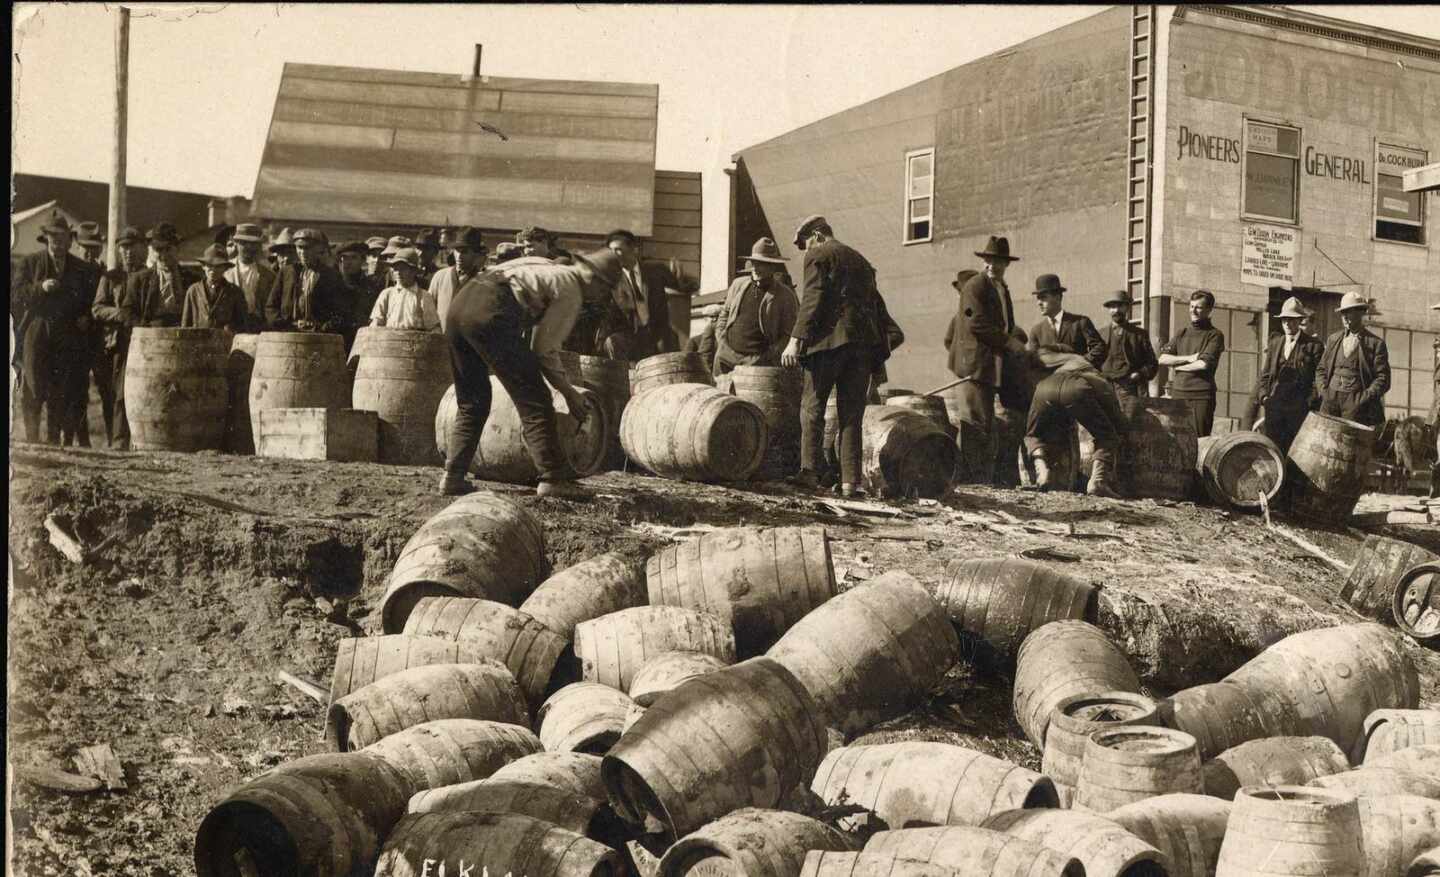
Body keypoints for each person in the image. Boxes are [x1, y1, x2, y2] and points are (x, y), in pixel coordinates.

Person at [440, 248, 623, 500]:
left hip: (459, 308)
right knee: (536, 400)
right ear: (596, 280)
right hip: (490, 314)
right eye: (605, 291)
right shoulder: (571, 290)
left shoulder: (543, 265)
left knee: (473, 400)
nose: (600, 297)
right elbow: (543, 349)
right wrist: (568, 392)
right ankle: (552, 478)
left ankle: (453, 476)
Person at [780, 215, 885, 498]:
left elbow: (812, 299)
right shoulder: (861, 260)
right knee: (851, 415)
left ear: (816, 235)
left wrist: (794, 341)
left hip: (827, 346)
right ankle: (851, 482)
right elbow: (876, 309)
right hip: (861, 348)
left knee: (812, 408)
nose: (805, 250)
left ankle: (809, 473)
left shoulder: (819, 254)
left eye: (805, 243)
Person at [946, 235, 1028, 484]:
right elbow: (977, 323)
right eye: (989, 261)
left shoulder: (1001, 289)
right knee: (974, 422)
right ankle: (971, 480)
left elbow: (1006, 324)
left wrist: (1014, 341)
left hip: (991, 366)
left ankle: (976, 477)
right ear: (984, 262)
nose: (992, 266)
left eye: (998, 262)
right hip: (974, 366)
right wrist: (1008, 342)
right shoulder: (976, 286)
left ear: (1007, 264)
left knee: (985, 422)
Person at [12, 214, 99, 444]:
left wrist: (85, 317)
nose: (57, 243)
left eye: (62, 238)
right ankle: (32, 440)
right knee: (33, 387)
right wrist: (40, 287)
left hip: (67, 336)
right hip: (37, 332)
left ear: (70, 241)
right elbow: (16, 296)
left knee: (60, 390)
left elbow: (91, 301)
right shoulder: (30, 263)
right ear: (46, 239)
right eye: (53, 238)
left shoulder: (81, 268)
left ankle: (52, 440)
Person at [1023, 349, 1126, 498]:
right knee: (1108, 437)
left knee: (1032, 434)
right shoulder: (1100, 378)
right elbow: (1117, 420)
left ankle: (1042, 471)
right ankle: (1097, 481)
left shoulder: (1060, 362)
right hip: (1078, 389)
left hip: (1045, 388)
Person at [91, 225, 146, 449]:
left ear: (142, 248)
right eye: (124, 248)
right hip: (116, 342)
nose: (128, 252)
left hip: (142, 343)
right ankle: (117, 441)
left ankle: (136, 441)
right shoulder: (111, 278)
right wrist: (119, 315)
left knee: (136, 392)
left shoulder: (148, 276)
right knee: (115, 394)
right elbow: (97, 308)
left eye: (132, 247)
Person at [711, 237, 798, 376]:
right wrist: (721, 341)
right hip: (725, 358)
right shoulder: (738, 285)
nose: (755, 268)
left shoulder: (785, 295)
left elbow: (789, 333)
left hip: (757, 365)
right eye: (754, 262)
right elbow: (724, 314)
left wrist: (768, 357)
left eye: (761, 264)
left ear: (772, 266)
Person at [1252, 296, 1324, 453]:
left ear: (1299, 321)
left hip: (1298, 410)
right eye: (1284, 320)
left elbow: (1319, 378)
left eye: (1292, 320)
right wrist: (1264, 397)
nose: (1287, 324)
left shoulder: (1314, 346)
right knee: (1273, 451)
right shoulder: (1275, 343)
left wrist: (1309, 402)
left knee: (1295, 453)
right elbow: (1265, 375)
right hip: (1274, 408)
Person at [605, 229, 683, 360]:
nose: (614, 254)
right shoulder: (611, 279)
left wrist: (680, 276)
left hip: (657, 334)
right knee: (612, 341)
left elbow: (682, 286)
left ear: (634, 249)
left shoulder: (656, 270)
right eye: (611, 250)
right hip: (629, 335)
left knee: (670, 339)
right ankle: (623, 378)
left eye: (618, 249)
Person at [1316, 291, 1390, 429]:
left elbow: (1383, 378)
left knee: (1351, 445)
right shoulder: (1333, 339)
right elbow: (1321, 369)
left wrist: (1363, 399)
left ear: (1361, 313)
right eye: (1343, 312)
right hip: (1330, 402)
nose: (1344, 317)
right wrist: (1325, 392)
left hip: (1357, 407)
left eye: (1349, 312)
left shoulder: (1375, 343)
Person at [1158, 289, 1225, 437]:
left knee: (1199, 440)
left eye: (1198, 307)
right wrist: (1189, 358)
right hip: (1178, 393)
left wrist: (1176, 365)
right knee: (1176, 440)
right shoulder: (1181, 333)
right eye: (1191, 306)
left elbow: (1203, 364)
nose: (1193, 310)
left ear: (1208, 310)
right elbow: (1162, 359)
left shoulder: (1215, 335)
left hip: (1201, 396)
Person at [264, 228, 349, 331]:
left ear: (317, 250)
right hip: (288, 335)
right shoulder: (286, 273)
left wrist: (320, 328)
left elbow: (341, 312)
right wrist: (286, 326)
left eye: (307, 248)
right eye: (299, 247)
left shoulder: (331, 276)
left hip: (319, 338)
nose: (303, 252)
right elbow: (271, 307)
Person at [1027, 274, 1104, 367]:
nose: (1039, 303)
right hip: (1050, 380)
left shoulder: (1080, 322)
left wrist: (1080, 363)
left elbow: (1100, 348)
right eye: (1038, 298)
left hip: (1077, 377)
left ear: (1058, 297)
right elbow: (1033, 362)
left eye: (1043, 297)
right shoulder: (1036, 331)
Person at [1096, 290, 1159, 401]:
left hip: (1131, 390)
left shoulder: (1139, 335)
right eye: (1112, 307)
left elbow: (1152, 364)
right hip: (1105, 389)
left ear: (1127, 307)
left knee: (1130, 418)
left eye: (1120, 306)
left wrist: (1139, 374)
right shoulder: (1100, 334)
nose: (1116, 310)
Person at [121, 222, 186, 328]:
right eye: (159, 250)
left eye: (168, 249)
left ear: (178, 249)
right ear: (152, 250)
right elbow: (128, 313)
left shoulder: (192, 278)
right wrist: (145, 329)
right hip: (150, 336)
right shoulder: (140, 279)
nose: (163, 255)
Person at [430, 227, 487, 334]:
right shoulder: (440, 276)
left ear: (475, 254)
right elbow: (429, 311)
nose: (459, 256)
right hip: (441, 340)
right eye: (457, 250)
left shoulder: (483, 281)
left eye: (465, 252)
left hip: (467, 343)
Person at [369, 248, 441, 330]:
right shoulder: (387, 294)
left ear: (414, 271)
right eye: (396, 269)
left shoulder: (424, 297)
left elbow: (434, 327)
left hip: (415, 341)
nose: (398, 273)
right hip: (389, 340)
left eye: (403, 269)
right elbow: (376, 322)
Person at [181, 244, 249, 331]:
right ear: (203, 266)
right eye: (209, 265)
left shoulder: (235, 292)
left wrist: (231, 328)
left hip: (225, 342)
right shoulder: (193, 291)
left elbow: (243, 325)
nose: (213, 270)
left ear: (225, 268)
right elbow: (185, 326)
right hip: (198, 341)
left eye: (218, 266)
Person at [225, 223, 276, 329]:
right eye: (244, 243)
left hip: (257, 328)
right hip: (230, 327)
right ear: (236, 244)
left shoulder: (268, 275)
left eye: (254, 244)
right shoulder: (225, 271)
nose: (249, 247)